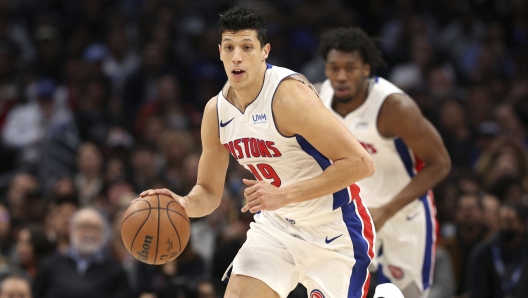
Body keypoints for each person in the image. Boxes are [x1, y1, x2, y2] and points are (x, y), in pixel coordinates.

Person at [137, 6, 376, 298]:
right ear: (220, 52)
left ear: (265, 51)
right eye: (229, 47)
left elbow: (360, 163)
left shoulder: (289, 97)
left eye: (247, 47)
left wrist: (283, 195)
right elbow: (209, 193)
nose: (237, 56)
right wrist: (184, 205)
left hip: (333, 227)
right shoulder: (216, 112)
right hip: (276, 227)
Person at [317, 27, 451, 298]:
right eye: (334, 68)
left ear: (366, 68)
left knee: (407, 295)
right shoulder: (319, 99)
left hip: (404, 213)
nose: (341, 76)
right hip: (354, 212)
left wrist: (386, 211)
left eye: (350, 68)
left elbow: (441, 163)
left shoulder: (394, 107)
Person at [33, 208, 129, 298]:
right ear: (71, 230)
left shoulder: (116, 271)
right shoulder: (50, 266)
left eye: (95, 228)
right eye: (84, 227)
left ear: (103, 234)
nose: (89, 233)